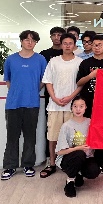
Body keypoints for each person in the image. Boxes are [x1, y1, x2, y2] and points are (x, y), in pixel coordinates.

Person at [1, 30, 47, 180]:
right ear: (21, 41)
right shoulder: (11, 59)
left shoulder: (40, 59)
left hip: (32, 103)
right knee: (12, 136)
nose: (30, 42)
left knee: (30, 136)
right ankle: (10, 166)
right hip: (13, 104)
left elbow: (43, 80)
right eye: (27, 40)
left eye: (33, 40)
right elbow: (8, 80)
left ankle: (28, 164)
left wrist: (32, 90)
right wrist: (17, 92)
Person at [40, 33, 83, 179]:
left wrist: (71, 97)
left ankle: (71, 164)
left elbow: (81, 84)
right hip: (55, 106)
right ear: (61, 44)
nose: (67, 46)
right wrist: (54, 98)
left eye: (70, 43)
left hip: (73, 107)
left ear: (74, 45)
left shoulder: (79, 62)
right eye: (65, 43)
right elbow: (48, 81)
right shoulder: (54, 61)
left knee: (73, 138)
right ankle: (52, 163)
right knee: (53, 136)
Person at [76, 35, 103, 175]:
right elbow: (79, 82)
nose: (97, 47)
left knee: (102, 133)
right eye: (94, 45)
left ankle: (101, 162)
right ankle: (84, 160)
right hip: (88, 102)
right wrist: (91, 76)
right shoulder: (85, 63)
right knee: (86, 131)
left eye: (100, 45)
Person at [55, 95, 100, 198]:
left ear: (86, 107)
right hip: (69, 158)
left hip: (86, 157)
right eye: (75, 106)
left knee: (94, 170)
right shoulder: (66, 126)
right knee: (79, 154)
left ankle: (78, 174)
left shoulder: (90, 123)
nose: (78, 109)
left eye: (81, 106)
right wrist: (77, 148)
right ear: (71, 108)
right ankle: (70, 181)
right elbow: (59, 152)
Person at [39, 26, 65, 160]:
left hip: (67, 96)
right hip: (50, 96)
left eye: (59, 35)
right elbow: (43, 75)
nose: (56, 37)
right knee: (51, 127)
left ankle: (65, 155)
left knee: (66, 127)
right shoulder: (44, 54)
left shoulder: (69, 55)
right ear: (50, 37)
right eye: (54, 35)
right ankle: (50, 156)